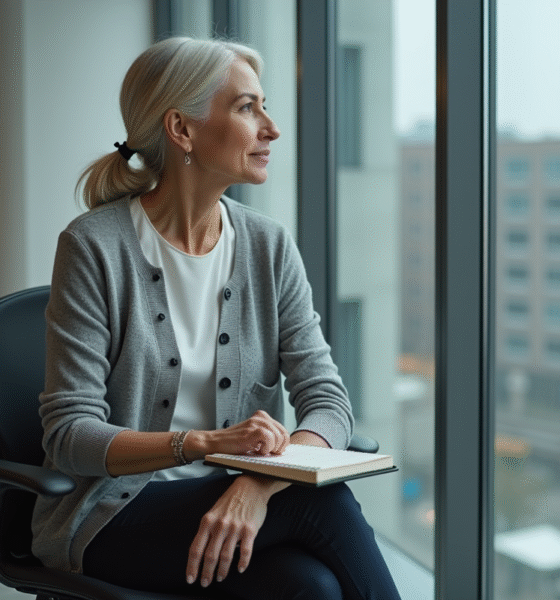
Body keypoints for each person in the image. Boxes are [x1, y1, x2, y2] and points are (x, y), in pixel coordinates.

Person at [31, 36, 401, 600]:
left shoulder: (267, 245)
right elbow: (69, 435)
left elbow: (328, 400)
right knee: (317, 497)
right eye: (247, 107)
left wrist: (255, 485)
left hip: (228, 506)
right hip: (112, 514)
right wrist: (204, 443)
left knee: (312, 588)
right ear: (182, 129)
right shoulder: (93, 247)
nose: (271, 128)